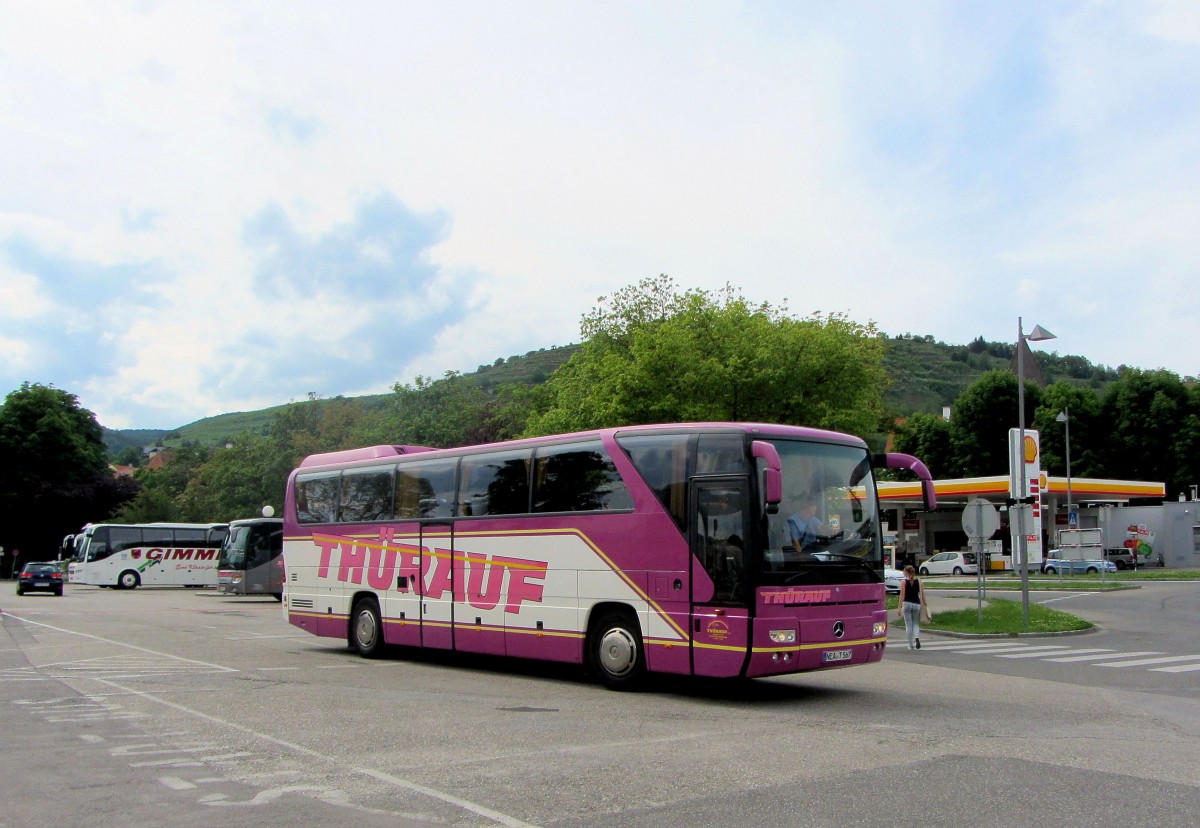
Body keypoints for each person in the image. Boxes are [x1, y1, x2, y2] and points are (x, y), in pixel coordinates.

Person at [899, 565, 927, 650]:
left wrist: (899, 607)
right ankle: (917, 638)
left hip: (907, 603)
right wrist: (925, 603)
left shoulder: (904, 582)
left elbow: (902, 595)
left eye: (904, 571)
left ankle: (911, 644)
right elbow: (922, 594)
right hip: (917, 604)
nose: (903, 572)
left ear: (906, 572)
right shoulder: (919, 581)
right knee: (915, 623)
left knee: (908, 625)